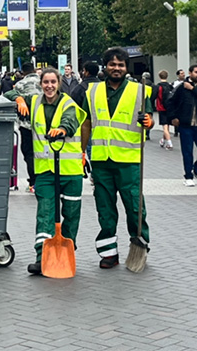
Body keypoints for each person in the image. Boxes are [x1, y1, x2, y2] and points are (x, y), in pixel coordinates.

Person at [5, 68, 87, 275]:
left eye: (53, 82)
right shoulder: (33, 102)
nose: (49, 86)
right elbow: (7, 93)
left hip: (70, 171)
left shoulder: (68, 103)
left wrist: (62, 129)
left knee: (71, 213)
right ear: (40, 84)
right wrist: (19, 99)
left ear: (59, 83)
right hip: (45, 172)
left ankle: (67, 251)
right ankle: (42, 256)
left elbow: (71, 120)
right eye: (45, 82)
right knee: (45, 214)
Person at [81, 47, 153, 269]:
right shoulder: (92, 92)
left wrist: (149, 123)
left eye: (121, 65)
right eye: (112, 64)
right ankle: (108, 253)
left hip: (129, 161)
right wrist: (81, 153)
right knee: (105, 208)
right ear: (106, 66)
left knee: (134, 206)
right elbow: (86, 124)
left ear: (126, 67)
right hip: (102, 161)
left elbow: (149, 120)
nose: (116, 68)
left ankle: (140, 244)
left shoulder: (140, 91)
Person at [169, 64, 197, 187]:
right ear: (190, 73)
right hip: (186, 124)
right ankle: (188, 176)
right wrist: (173, 117)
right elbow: (171, 102)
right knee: (187, 151)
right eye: (196, 72)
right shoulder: (181, 87)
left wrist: (192, 89)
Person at [12, 62, 42, 193]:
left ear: (22, 72)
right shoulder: (44, 82)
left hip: (26, 125)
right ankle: (44, 179)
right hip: (44, 124)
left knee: (28, 153)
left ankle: (33, 181)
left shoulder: (20, 85)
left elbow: (9, 96)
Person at [152, 70, 174, 150]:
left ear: (159, 76)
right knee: (167, 126)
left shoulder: (158, 87)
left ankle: (169, 143)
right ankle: (163, 140)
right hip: (170, 108)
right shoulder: (170, 86)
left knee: (164, 127)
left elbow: (153, 97)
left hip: (161, 108)